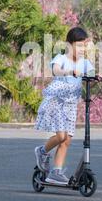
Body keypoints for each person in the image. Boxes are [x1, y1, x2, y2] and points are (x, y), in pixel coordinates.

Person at [34, 27, 95, 185]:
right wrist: (68, 71)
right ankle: (42, 151)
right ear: (69, 45)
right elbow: (55, 70)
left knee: (66, 140)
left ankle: (56, 172)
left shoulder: (85, 63)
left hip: (70, 105)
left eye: (84, 46)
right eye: (79, 46)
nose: (82, 49)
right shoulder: (61, 58)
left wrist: (97, 77)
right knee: (61, 136)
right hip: (57, 102)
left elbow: (92, 74)